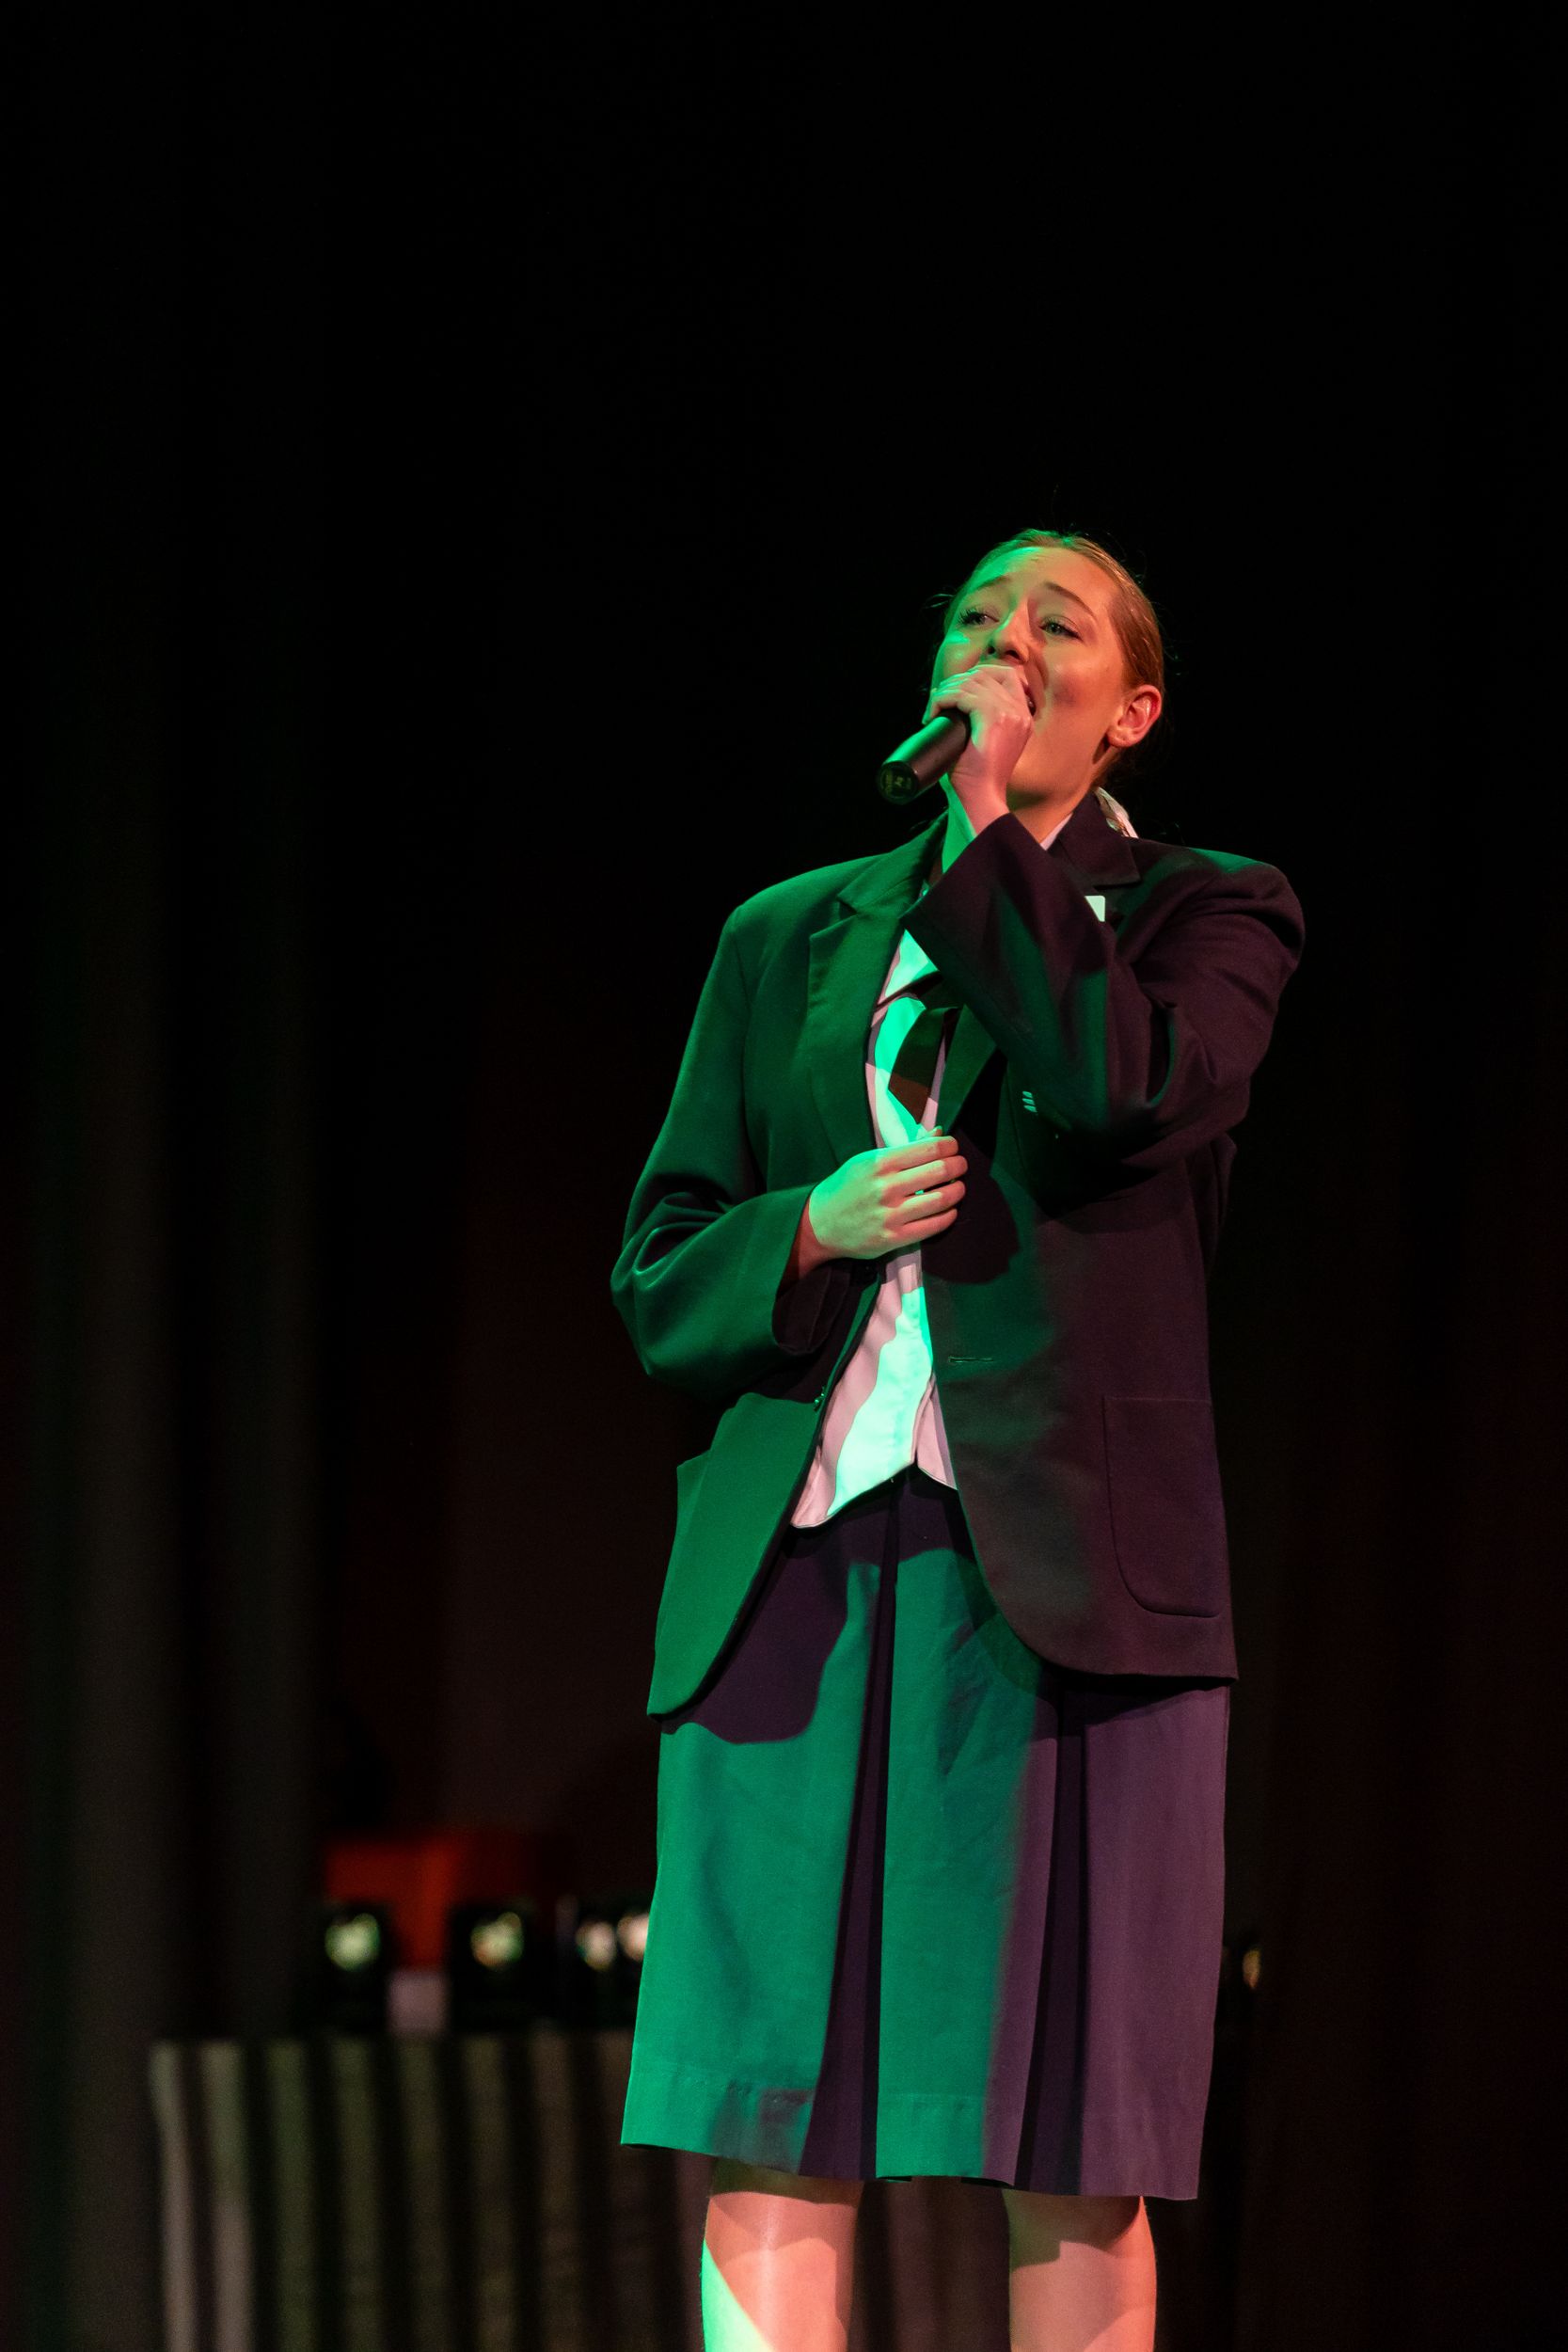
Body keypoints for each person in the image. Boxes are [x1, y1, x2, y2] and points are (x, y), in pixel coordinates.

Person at [610, 530, 1306, 2352]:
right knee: (771, 2109)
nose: (1005, 639)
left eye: (1055, 623)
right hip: (796, 1572)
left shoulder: (1214, 911)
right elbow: (661, 1266)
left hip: (1066, 1591)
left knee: (1074, 2133)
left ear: (1131, 709)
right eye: (979, 616)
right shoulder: (786, 933)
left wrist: (992, 834)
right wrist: (808, 1229)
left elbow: (1119, 1085)